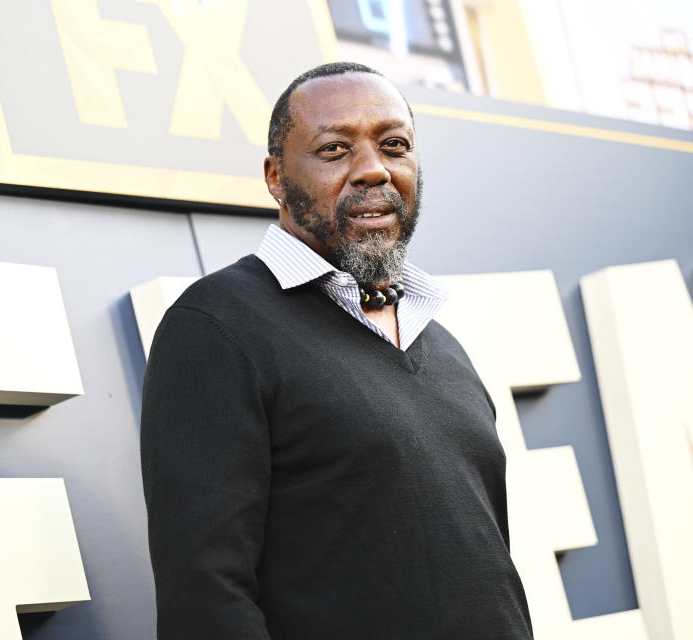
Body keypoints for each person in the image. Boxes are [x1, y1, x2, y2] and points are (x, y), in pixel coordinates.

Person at [140, 62, 533, 640]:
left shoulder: (443, 345)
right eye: (335, 150)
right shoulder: (216, 326)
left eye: (394, 145)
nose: (374, 170)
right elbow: (204, 597)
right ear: (276, 177)